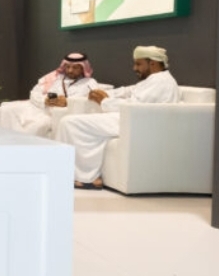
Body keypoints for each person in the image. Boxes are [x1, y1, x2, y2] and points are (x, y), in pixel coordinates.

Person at [56, 45, 180, 189]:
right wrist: (106, 94)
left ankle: (85, 178)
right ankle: (83, 175)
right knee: (72, 122)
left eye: (138, 64)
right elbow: (129, 91)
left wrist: (105, 101)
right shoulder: (155, 79)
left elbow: (135, 106)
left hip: (137, 123)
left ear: (152, 63)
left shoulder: (161, 82)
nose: (134, 68)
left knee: (69, 122)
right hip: (131, 119)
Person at [0, 52, 98, 137]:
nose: (70, 70)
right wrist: (44, 101)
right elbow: (34, 93)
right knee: (4, 110)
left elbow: (89, 103)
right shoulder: (54, 77)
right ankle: (1, 144)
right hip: (38, 106)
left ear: (83, 68)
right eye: (67, 66)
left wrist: (66, 102)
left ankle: (19, 149)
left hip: (53, 114)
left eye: (75, 68)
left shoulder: (90, 83)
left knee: (36, 126)